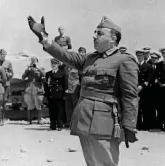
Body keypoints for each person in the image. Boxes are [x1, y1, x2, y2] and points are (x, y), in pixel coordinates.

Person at [27, 15, 139, 166]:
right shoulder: (89, 59)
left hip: (105, 123)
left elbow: (130, 96)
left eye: (99, 33)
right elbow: (64, 55)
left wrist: (129, 125)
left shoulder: (124, 60)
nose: (94, 36)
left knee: (105, 162)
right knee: (91, 162)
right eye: (94, 32)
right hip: (84, 118)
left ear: (113, 39)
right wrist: (44, 37)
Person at [63, 47, 85, 128]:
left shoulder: (79, 66)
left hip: (76, 89)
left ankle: (76, 123)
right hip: (67, 89)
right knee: (68, 107)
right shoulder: (66, 66)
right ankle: (69, 122)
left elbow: (81, 78)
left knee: (76, 106)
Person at [22, 56, 45, 124]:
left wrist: (38, 68)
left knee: (38, 104)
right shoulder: (29, 68)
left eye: (34, 61)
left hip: (38, 88)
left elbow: (44, 75)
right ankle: (29, 120)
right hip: (29, 89)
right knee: (29, 104)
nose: (33, 62)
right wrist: (27, 69)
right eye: (32, 61)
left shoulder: (41, 68)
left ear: (37, 61)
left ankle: (39, 119)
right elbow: (23, 77)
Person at [45, 58, 66, 130]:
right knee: (52, 110)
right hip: (51, 94)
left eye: (55, 64)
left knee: (60, 110)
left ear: (58, 64)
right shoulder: (48, 74)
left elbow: (65, 84)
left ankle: (60, 125)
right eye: (52, 64)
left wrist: (64, 95)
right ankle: (52, 125)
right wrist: (46, 95)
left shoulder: (62, 73)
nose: (53, 65)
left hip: (59, 94)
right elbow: (46, 85)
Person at [136, 49, 153, 131]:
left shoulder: (148, 66)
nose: (139, 57)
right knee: (137, 108)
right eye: (138, 56)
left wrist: (141, 86)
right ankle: (138, 125)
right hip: (136, 90)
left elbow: (149, 78)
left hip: (145, 90)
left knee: (145, 108)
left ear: (143, 56)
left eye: (140, 56)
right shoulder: (135, 66)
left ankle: (146, 125)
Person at [0, 48, 13, 116]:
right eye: (1, 54)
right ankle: (0, 117)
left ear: (6, 55)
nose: (2, 55)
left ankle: (3, 116)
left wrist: (9, 74)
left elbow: (12, 73)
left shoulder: (9, 63)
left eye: (4, 54)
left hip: (6, 83)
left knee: (5, 99)